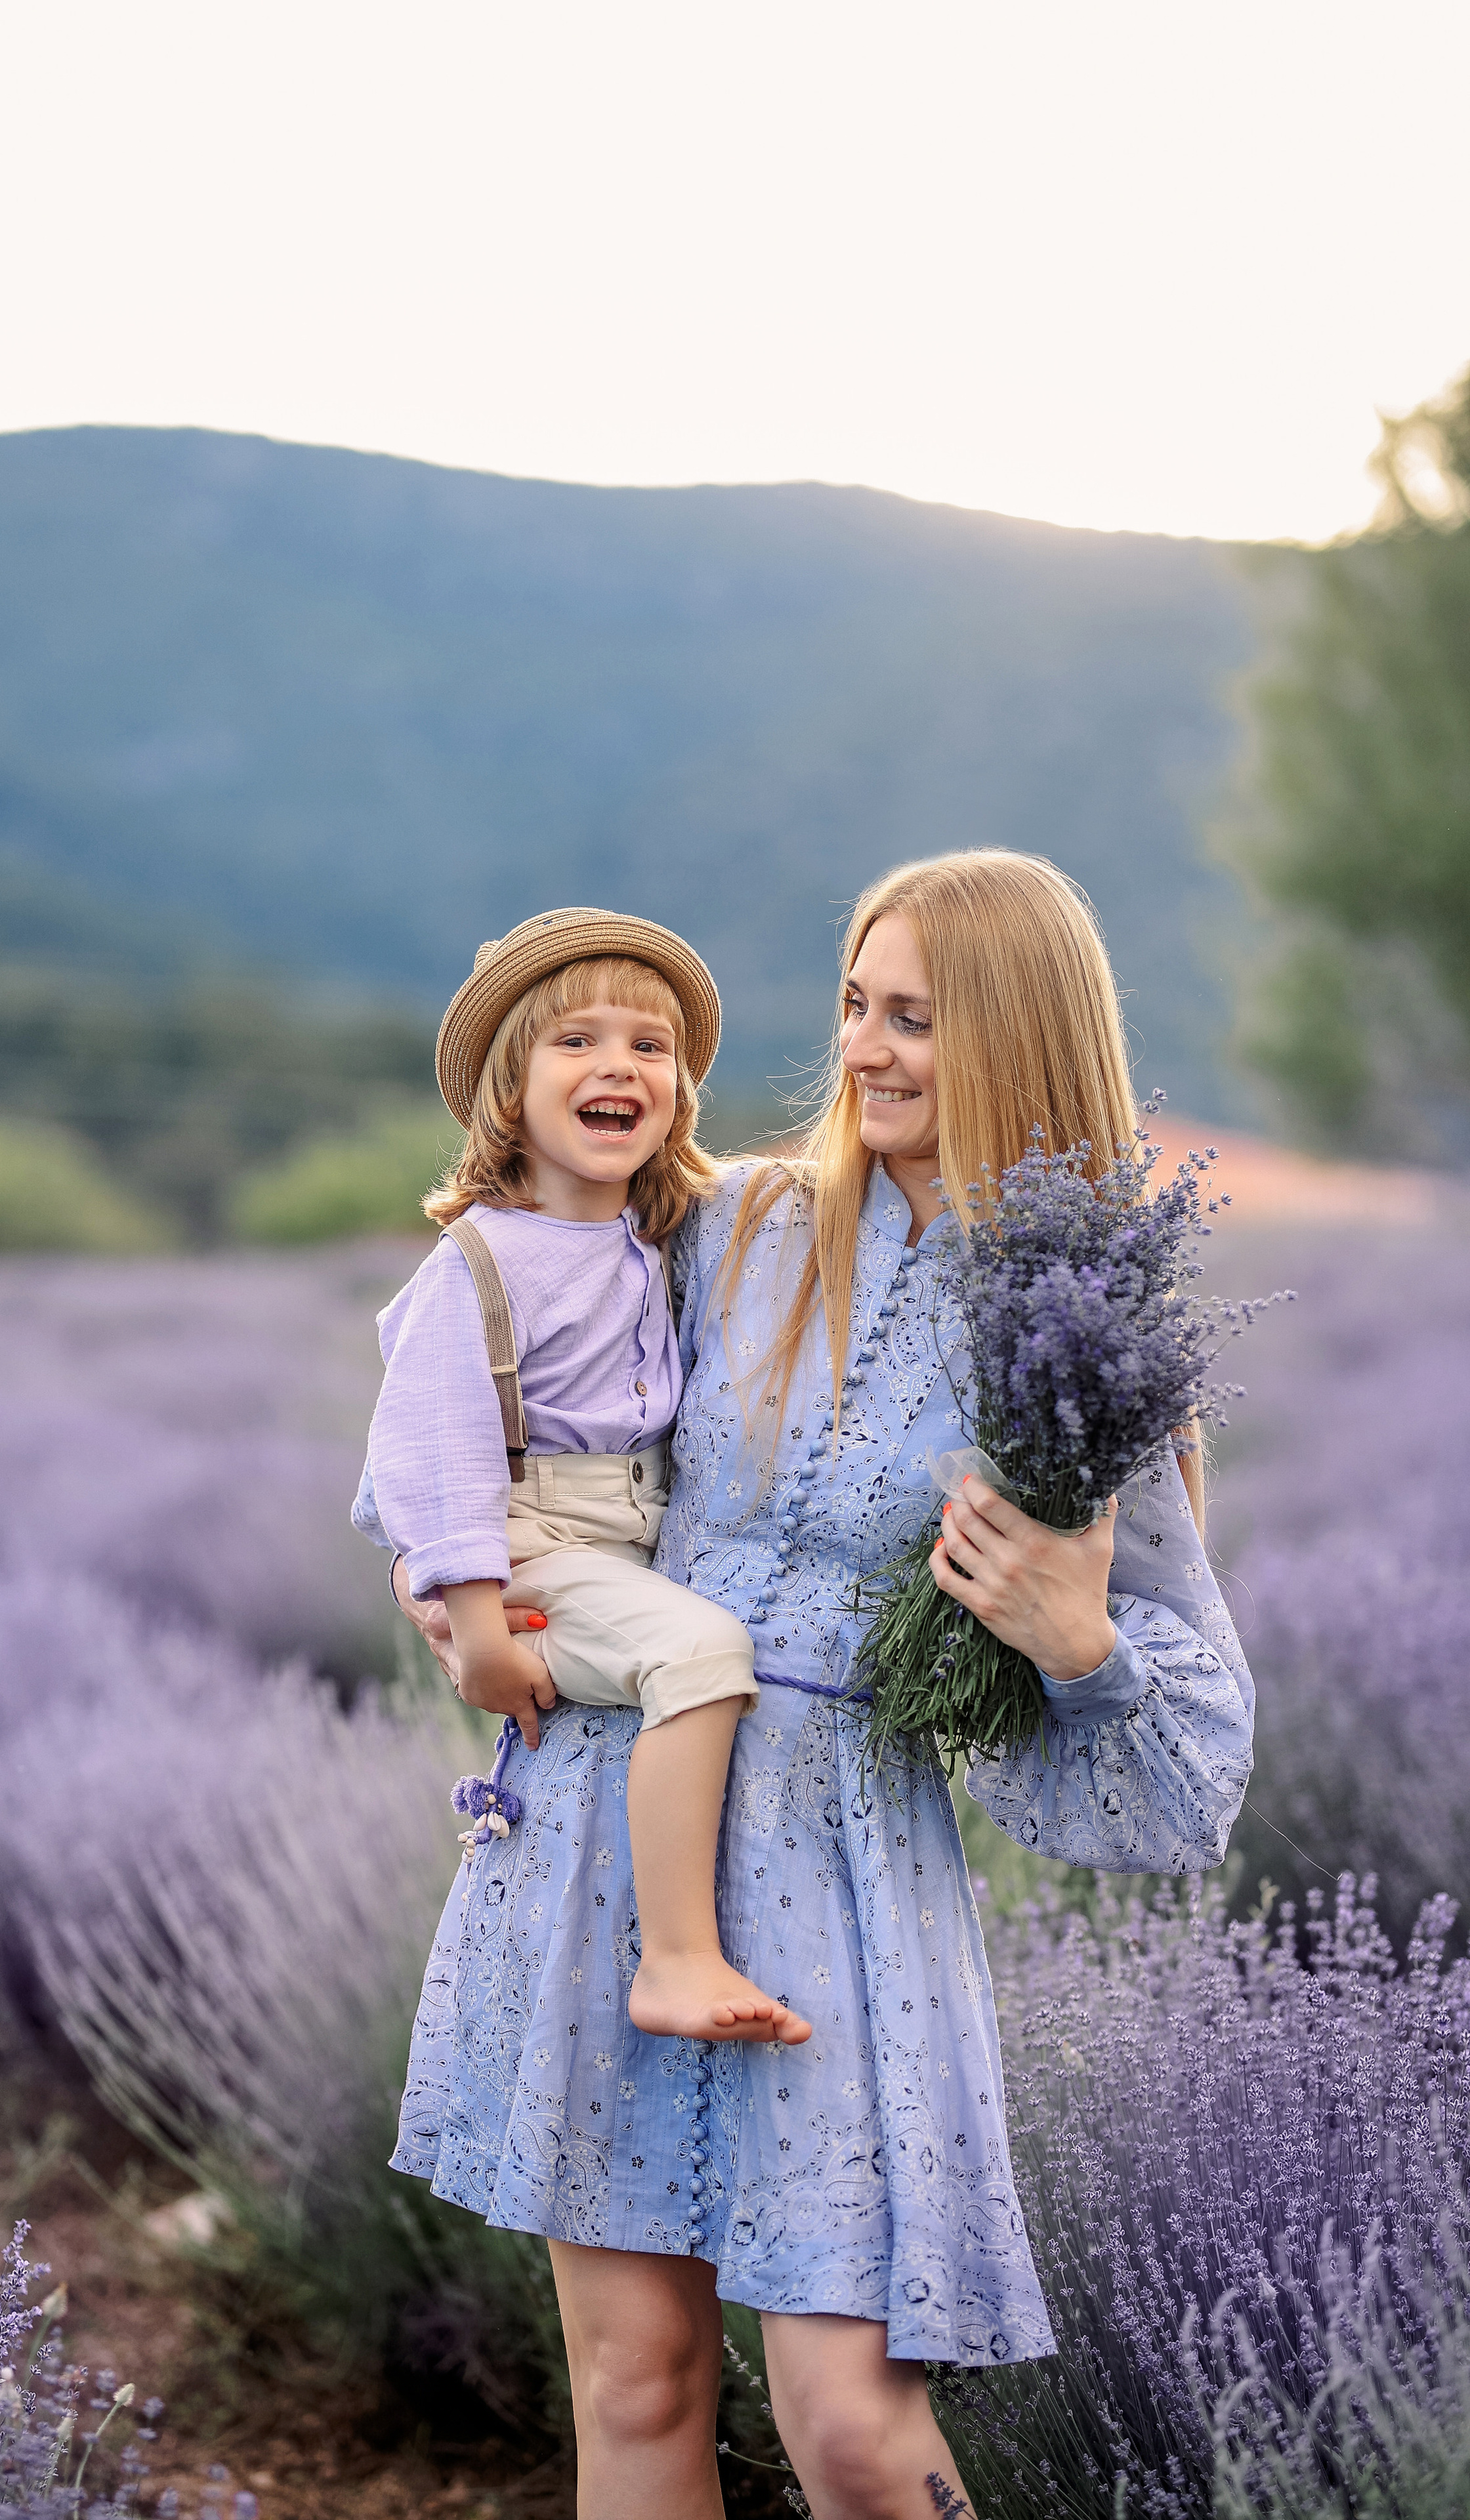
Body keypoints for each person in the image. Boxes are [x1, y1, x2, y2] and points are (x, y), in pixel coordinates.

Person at [387, 852, 1255, 2520]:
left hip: (842, 1875)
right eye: (855, 1004)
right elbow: (490, 1379)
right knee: (635, 2383)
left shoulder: (1076, 1345)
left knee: (851, 2429)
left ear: (1015, 1035)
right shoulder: (725, 1227)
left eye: (912, 1017)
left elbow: (1183, 1785)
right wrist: (456, 1584)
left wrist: (1071, 1642)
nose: (861, 1048)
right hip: (610, 1818)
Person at [357, 906, 812, 2046]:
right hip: (535, 1542)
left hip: (625, 1532)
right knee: (700, 1654)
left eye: (650, 1047)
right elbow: (436, 1455)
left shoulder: (653, 1237)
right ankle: (676, 1959)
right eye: (577, 1041)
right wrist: (480, 1635)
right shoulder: (480, 1261)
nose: (619, 1065)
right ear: (509, 1092)